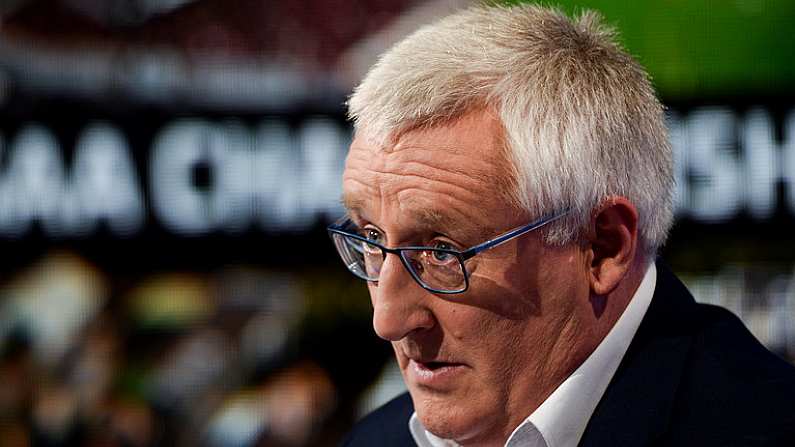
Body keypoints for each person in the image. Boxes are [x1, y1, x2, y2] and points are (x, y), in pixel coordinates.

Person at [329, 4, 795, 446]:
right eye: (371, 239)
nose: (387, 320)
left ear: (602, 247)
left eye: (442, 252)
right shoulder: (376, 439)